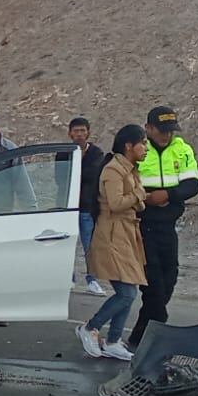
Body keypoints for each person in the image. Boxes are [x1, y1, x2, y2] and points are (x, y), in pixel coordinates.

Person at [129, 106, 198, 347]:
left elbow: (192, 184)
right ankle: (158, 327)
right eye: (162, 131)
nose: (167, 136)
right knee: (152, 283)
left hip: (168, 224)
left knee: (169, 276)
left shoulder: (182, 149)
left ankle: (141, 333)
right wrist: (146, 198)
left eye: (170, 131)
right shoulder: (139, 149)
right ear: (148, 128)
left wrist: (168, 195)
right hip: (142, 223)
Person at [77, 125, 148, 361]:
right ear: (129, 145)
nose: (146, 148)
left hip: (126, 233)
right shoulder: (113, 170)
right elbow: (117, 203)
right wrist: (139, 196)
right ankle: (90, 327)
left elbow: (138, 203)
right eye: (143, 143)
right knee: (126, 292)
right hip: (113, 233)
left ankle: (114, 340)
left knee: (130, 288)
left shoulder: (129, 169)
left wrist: (138, 198)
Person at [67, 117, 108, 296]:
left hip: (87, 208)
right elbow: (60, 179)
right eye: (76, 131)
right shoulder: (64, 153)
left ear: (88, 132)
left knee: (90, 247)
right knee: (68, 246)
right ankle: (69, 278)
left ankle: (92, 280)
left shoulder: (97, 154)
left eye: (82, 131)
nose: (79, 135)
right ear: (70, 133)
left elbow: (93, 177)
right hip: (68, 208)